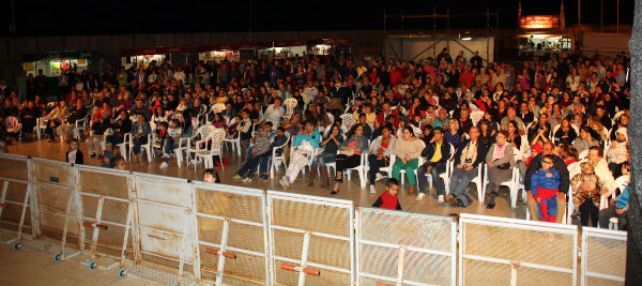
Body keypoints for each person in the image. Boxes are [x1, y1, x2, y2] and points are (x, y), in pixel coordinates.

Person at [524, 141, 570, 222]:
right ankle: (537, 224)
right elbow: (528, 176)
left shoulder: (559, 163)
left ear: (552, 151)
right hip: (539, 191)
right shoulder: (536, 160)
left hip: (554, 192)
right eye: (543, 149)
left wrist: (562, 191)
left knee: (561, 202)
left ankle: (556, 226)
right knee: (531, 201)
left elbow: (565, 178)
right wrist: (529, 190)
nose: (544, 151)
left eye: (547, 149)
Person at [445, 126, 489, 206]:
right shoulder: (464, 143)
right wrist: (458, 163)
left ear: (478, 134)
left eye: (474, 132)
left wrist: (473, 166)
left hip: (473, 167)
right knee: (454, 175)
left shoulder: (482, 145)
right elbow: (457, 154)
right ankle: (452, 196)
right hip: (462, 165)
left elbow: (481, 157)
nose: (471, 134)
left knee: (465, 177)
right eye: (470, 132)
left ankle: (453, 195)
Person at [279, 121, 320, 188]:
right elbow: (295, 144)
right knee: (292, 164)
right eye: (306, 126)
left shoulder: (316, 134)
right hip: (298, 151)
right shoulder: (303, 134)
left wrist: (308, 137)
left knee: (297, 166)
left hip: (307, 153)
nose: (306, 127)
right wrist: (299, 135)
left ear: (312, 127)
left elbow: (316, 145)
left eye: (307, 126)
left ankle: (289, 180)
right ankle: (286, 178)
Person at [331, 124, 369, 195]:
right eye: (359, 129)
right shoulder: (351, 137)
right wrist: (349, 148)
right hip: (347, 154)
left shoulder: (364, 139)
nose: (361, 131)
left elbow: (366, 149)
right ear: (355, 131)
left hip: (357, 157)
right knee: (339, 157)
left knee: (339, 162)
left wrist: (356, 149)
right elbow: (341, 146)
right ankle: (338, 181)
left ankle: (337, 184)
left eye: (362, 130)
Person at [417, 127, 451, 202]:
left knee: (434, 170)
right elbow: (423, 154)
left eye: (437, 133)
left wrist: (432, 165)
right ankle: (421, 191)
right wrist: (429, 143)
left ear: (442, 134)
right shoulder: (432, 144)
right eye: (434, 133)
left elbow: (444, 158)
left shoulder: (446, 145)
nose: (435, 135)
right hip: (430, 163)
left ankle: (440, 194)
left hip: (441, 164)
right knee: (420, 169)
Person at [485, 131, 515, 209]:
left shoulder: (509, 146)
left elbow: (507, 158)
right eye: (497, 136)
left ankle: (490, 192)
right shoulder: (493, 146)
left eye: (501, 137)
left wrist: (494, 163)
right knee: (495, 175)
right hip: (494, 169)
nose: (498, 138)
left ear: (505, 139)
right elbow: (488, 156)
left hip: (506, 169)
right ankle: (493, 195)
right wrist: (489, 162)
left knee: (495, 178)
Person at [391, 126, 425, 194]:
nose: (404, 134)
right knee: (395, 167)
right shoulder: (399, 140)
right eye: (403, 132)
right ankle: (394, 186)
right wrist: (403, 157)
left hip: (413, 159)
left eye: (406, 133)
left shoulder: (416, 141)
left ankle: (412, 186)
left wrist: (410, 156)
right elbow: (395, 150)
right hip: (402, 159)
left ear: (411, 134)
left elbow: (421, 151)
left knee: (409, 168)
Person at [529, 154, 562, 222]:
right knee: (542, 208)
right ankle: (543, 223)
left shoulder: (555, 173)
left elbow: (558, 181)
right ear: (541, 162)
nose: (545, 164)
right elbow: (533, 186)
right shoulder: (537, 174)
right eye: (544, 161)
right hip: (542, 194)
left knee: (553, 209)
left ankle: (551, 226)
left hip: (552, 195)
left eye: (548, 163)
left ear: (551, 165)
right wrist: (536, 196)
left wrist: (557, 190)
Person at [367, 125, 396, 194]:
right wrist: (378, 152)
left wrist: (382, 152)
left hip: (387, 160)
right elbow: (373, 149)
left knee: (372, 161)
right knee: (371, 158)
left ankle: (374, 180)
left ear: (390, 132)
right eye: (382, 131)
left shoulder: (394, 140)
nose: (383, 132)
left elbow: (393, 151)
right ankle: (372, 184)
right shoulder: (378, 138)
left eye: (385, 131)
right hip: (376, 157)